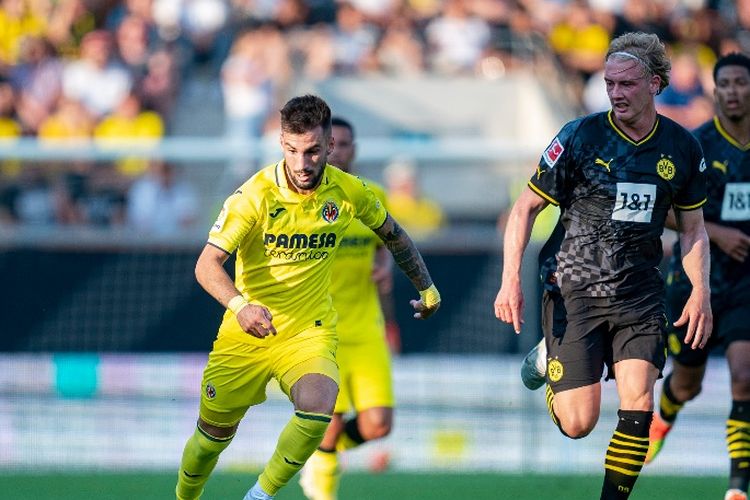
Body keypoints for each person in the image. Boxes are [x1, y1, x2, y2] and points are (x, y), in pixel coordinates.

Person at [175, 94, 440, 500]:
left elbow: (395, 236)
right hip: (246, 331)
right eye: (293, 151)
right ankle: (185, 495)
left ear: (330, 147)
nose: (302, 164)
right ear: (281, 143)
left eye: (313, 151)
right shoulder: (254, 195)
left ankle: (259, 495)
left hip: (309, 331)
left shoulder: (350, 192)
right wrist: (240, 306)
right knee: (211, 439)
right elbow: (206, 266)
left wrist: (427, 287)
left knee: (319, 410)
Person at [494, 32, 712, 500]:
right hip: (574, 286)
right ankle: (549, 355)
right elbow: (524, 208)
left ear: (654, 84)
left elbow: (693, 229)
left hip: (639, 292)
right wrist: (510, 278)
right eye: (609, 83)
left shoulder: (681, 148)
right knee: (578, 424)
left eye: (626, 84)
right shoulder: (579, 136)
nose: (615, 93)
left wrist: (701, 292)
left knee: (638, 404)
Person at [645, 53, 750, 500]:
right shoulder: (696, 144)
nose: (732, 91)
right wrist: (721, 232)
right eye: (724, 83)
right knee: (688, 381)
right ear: (715, 90)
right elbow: (664, 207)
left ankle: (737, 488)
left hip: (746, 282)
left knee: (745, 374)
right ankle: (664, 413)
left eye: (741, 83)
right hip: (697, 278)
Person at [299, 116, 400, 500]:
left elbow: (385, 248)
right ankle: (322, 487)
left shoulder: (372, 195)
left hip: (366, 329)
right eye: (332, 144)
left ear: (353, 150)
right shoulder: (306, 203)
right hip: (323, 333)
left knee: (378, 425)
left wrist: (386, 269)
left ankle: (318, 458)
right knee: (329, 422)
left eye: (345, 144)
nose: (338, 150)